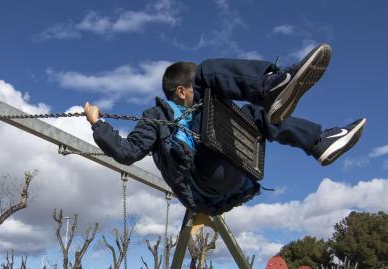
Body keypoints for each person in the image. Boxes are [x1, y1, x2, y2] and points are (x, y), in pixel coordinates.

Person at [83, 43, 366, 215]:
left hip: (233, 169)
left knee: (254, 114)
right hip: (205, 177)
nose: (202, 92)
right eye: (194, 89)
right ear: (181, 92)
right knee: (207, 73)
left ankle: (319, 141)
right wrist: (97, 123)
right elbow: (126, 152)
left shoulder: (206, 110)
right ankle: (270, 84)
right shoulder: (158, 116)